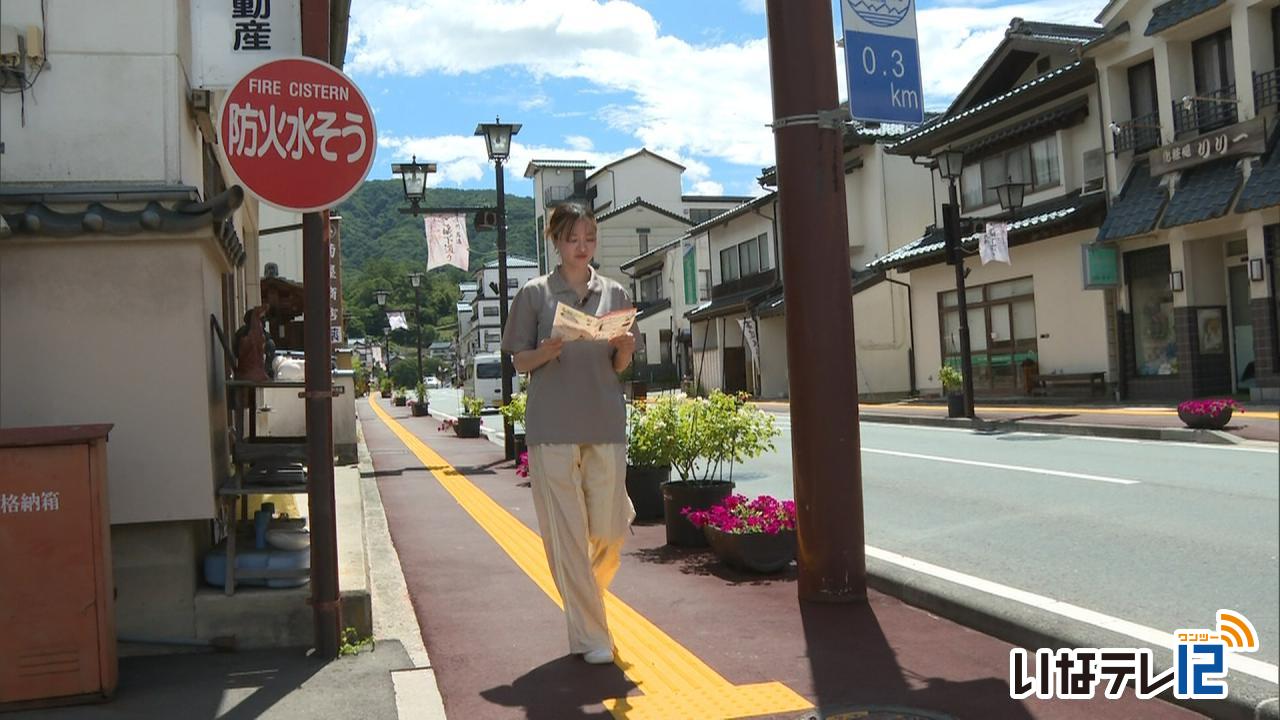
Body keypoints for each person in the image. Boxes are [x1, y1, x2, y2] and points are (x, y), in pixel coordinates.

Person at [500, 202, 637, 665]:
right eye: (573, 239)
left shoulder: (614, 292)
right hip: (552, 425)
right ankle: (592, 635)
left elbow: (618, 367)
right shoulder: (536, 294)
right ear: (555, 242)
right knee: (568, 536)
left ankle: (583, 604)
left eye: (590, 239)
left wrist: (624, 349)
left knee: (611, 531)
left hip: (604, 421)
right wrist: (546, 350)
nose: (583, 248)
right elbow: (519, 361)